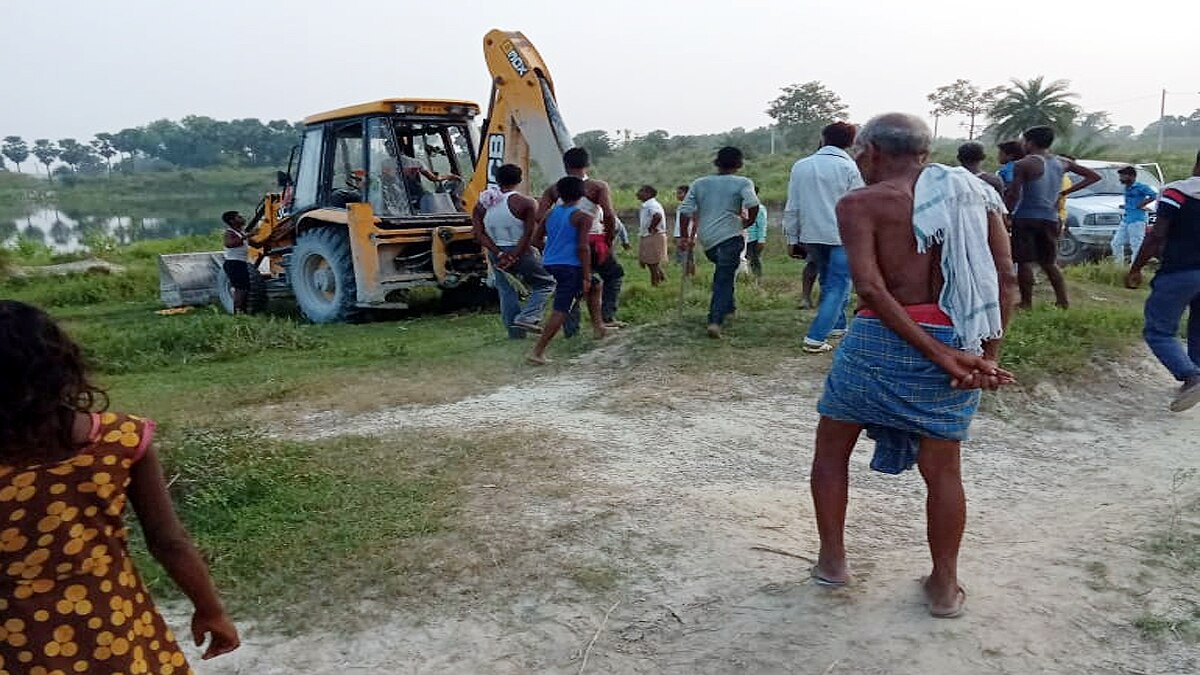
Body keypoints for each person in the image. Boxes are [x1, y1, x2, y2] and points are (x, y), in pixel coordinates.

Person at [811, 113, 1017, 619]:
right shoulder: (976, 198)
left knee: (833, 450)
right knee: (943, 470)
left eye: (862, 154)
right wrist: (982, 358)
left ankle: (833, 562)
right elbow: (1005, 279)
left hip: (878, 339)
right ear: (924, 152)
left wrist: (943, 354)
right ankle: (944, 587)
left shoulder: (861, 204)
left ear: (874, 151)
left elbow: (872, 289)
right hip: (959, 338)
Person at [0, 300, 241, 672]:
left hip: (17, 642)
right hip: (113, 628)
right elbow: (168, 540)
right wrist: (210, 610)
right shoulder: (120, 439)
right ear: (60, 366)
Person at [1126, 149, 1200, 412]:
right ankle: (1195, 373)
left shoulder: (1176, 192)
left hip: (1179, 270)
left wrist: (1136, 268)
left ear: (1196, 163)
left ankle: (1190, 377)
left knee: (1158, 331)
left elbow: (1157, 234)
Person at [783, 122, 865, 353]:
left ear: (823, 137)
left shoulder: (801, 166)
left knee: (828, 281)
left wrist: (792, 238)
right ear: (851, 142)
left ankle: (837, 326)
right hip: (842, 236)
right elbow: (858, 205)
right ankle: (816, 337)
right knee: (839, 286)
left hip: (812, 234)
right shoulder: (850, 168)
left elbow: (793, 206)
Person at [1005, 126, 1101, 309]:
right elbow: (1093, 176)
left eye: (1024, 141)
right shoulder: (1062, 162)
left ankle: (1026, 302)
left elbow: (1014, 195)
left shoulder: (1024, 164)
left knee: (1024, 261)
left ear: (1030, 142)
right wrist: (1063, 192)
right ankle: (1062, 300)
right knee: (1049, 262)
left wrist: (1006, 214)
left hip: (1025, 217)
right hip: (1050, 217)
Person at [539, 148, 626, 330]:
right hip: (592, 240)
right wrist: (608, 240)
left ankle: (572, 329)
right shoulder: (597, 186)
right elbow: (609, 215)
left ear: (565, 165)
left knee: (571, 285)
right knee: (613, 274)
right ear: (587, 165)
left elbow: (540, 216)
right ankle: (607, 317)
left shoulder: (554, 189)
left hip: (563, 244)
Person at [678, 147, 759, 339]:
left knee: (725, 272)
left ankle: (729, 308)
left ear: (717, 163)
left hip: (708, 241)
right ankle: (715, 320)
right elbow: (753, 205)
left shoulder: (699, 183)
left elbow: (685, 211)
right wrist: (749, 222)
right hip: (731, 235)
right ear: (739, 164)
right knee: (724, 276)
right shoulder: (743, 182)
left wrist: (683, 236)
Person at [471, 164, 556, 338]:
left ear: (497, 179)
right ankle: (528, 316)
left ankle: (515, 334)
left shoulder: (483, 204)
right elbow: (528, 234)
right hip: (521, 250)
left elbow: (479, 234)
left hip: (495, 251)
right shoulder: (526, 202)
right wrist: (515, 254)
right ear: (519, 180)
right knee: (546, 283)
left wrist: (500, 253)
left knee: (506, 291)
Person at [529, 177, 606, 364]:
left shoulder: (550, 214)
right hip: (571, 266)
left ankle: (599, 327)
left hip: (551, 262)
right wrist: (586, 274)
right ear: (583, 194)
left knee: (596, 285)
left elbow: (535, 241)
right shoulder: (583, 217)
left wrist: (553, 250)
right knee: (562, 308)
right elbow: (583, 247)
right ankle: (537, 351)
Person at [1111, 166, 1159, 265]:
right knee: (1116, 243)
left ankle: (1134, 267)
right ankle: (1118, 265)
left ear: (1131, 176)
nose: (1121, 178)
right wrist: (1127, 205)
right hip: (1127, 218)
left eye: (1123, 176)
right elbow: (1131, 201)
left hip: (1137, 220)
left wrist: (1142, 204)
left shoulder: (1140, 187)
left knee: (1136, 245)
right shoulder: (1127, 187)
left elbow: (1154, 195)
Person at [637, 185, 669, 286]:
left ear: (649, 194)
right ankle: (663, 280)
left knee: (652, 263)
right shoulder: (648, 204)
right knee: (651, 262)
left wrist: (652, 227)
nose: (638, 193)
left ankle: (655, 284)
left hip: (652, 236)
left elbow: (657, 216)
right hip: (649, 235)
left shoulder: (651, 205)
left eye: (641, 191)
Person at [222, 210, 253, 314]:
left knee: (245, 289)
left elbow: (257, 244)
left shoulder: (242, 232)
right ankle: (238, 313)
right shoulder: (230, 232)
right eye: (239, 217)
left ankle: (242, 312)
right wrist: (247, 236)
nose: (242, 218)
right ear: (231, 221)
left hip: (240, 263)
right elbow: (229, 244)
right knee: (240, 289)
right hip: (233, 263)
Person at [745, 186, 769, 280]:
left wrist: (761, 240)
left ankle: (758, 279)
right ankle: (746, 278)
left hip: (753, 239)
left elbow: (762, 226)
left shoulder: (759, 208)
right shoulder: (743, 206)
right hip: (743, 238)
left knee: (754, 260)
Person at [673, 185, 697, 277]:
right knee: (686, 257)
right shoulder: (681, 206)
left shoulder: (690, 206)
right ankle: (688, 276)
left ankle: (689, 276)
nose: (677, 195)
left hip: (686, 235)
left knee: (688, 257)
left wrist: (689, 237)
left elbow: (694, 222)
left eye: (680, 193)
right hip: (681, 235)